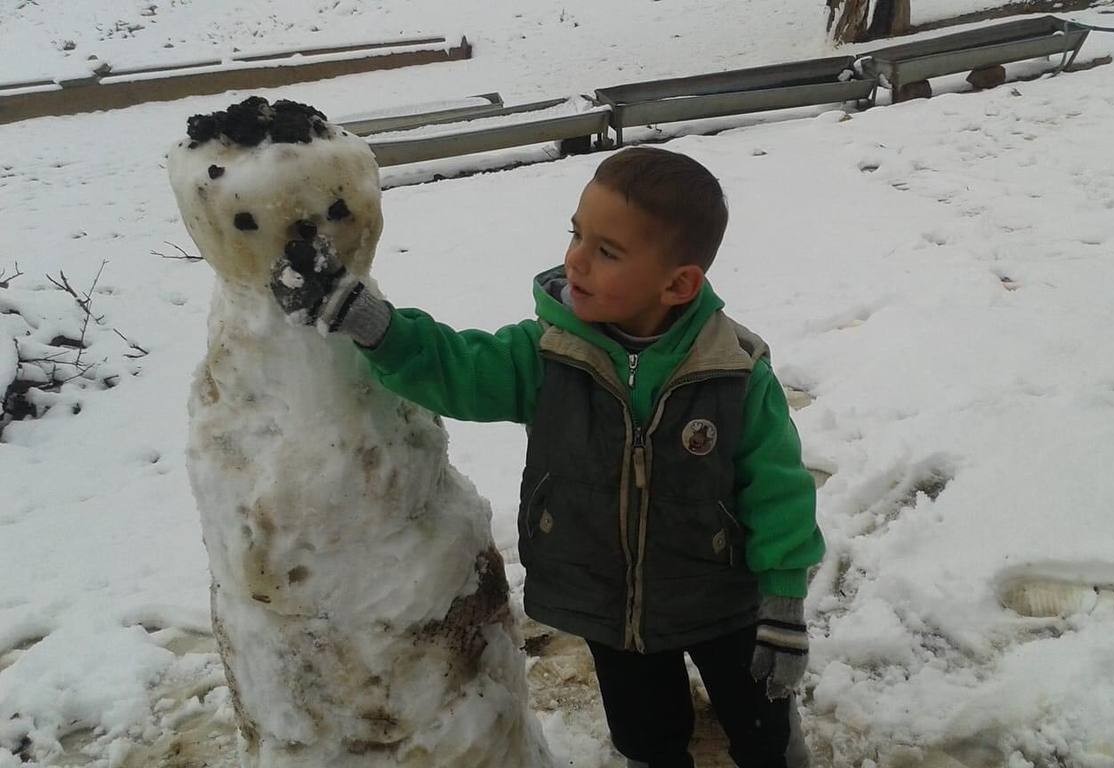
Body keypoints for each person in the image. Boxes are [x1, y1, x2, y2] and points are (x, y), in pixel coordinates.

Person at [270, 146, 825, 768]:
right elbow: (459, 368)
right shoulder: (547, 354)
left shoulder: (734, 372)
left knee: (760, 723)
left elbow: (778, 489)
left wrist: (782, 602)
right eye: (576, 233)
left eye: (607, 251)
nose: (576, 260)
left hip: (723, 599)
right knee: (649, 738)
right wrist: (370, 322)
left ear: (678, 284)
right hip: (607, 606)